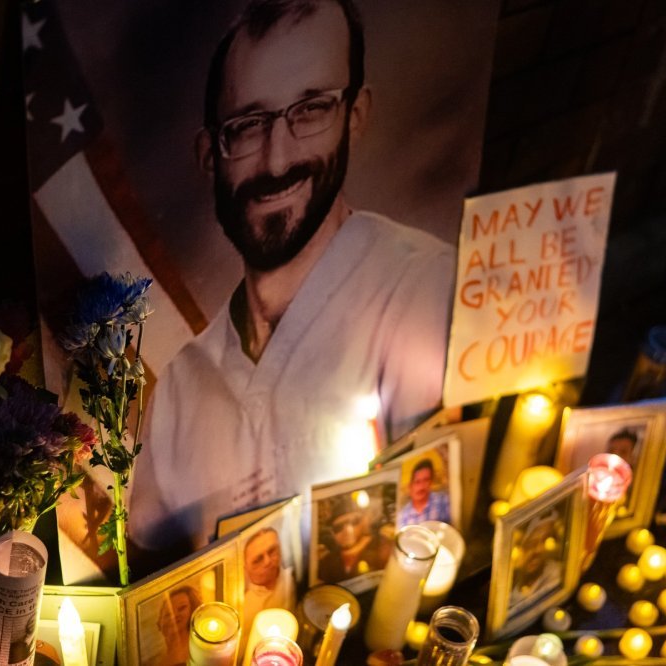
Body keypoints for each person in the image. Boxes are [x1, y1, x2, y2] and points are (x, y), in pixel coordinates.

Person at [129, 0, 455, 555]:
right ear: (210, 154)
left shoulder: (422, 291)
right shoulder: (179, 387)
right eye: (247, 126)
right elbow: (148, 568)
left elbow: (425, 535)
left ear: (355, 115)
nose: (277, 160)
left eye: (311, 110)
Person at [317, 494, 393, 584]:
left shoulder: (385, 549)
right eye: (338, 527)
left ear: (365, 521)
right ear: (332, 533)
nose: (347, 530)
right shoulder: (326, 563)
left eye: (353, 522)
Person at [242, 527, 296, 638]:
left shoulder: (291, 578)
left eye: (272, 551)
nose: (268, 561)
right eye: (258, 559)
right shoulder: (244, 607)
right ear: (246, 569)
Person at [154, 585, 202, 666]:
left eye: (182, 608)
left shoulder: (202, 651)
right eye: (168, 614)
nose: (174, 615)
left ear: (193, 610)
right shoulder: (159, 659)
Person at [397, 458, 451, 527]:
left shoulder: (443, 501)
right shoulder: (403, 516)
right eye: (417, 482)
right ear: (410, 486)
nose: (421, 486)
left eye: (426, 480)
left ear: (431, 482)